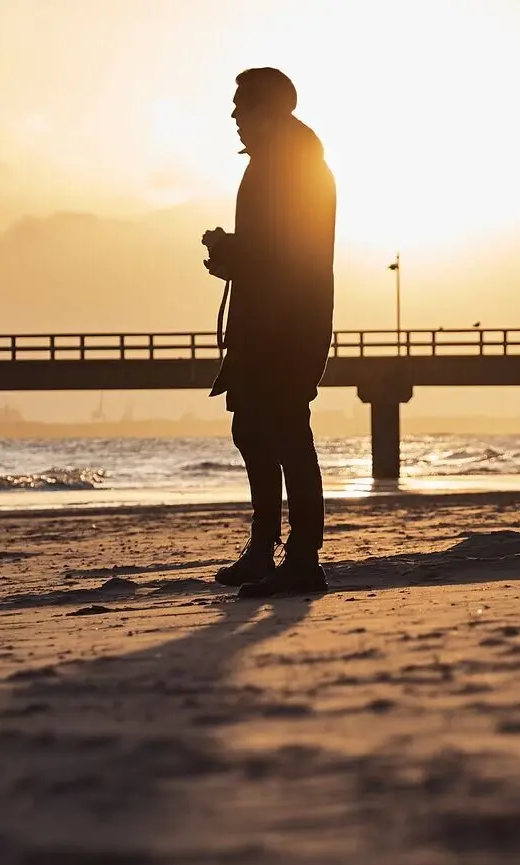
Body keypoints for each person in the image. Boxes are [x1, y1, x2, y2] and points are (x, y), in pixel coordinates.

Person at [200, 67, 337, 597]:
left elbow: (292, 252)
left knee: (285, 432)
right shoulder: (277, 161)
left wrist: (235, 253)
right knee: (254, 430)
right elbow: (276, 248)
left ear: (268, 110)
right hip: (266, 320)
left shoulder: (296, 163)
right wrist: (233, 256)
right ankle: (265, 550)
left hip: (288, 324)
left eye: (242, 105)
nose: (234, 115)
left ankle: (302, 558)